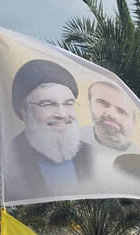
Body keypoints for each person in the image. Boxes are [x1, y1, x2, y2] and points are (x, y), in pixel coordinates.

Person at [5, 59, 93, 201]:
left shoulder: (89, 154)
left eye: (68, 103)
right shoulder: (10, 157)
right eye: (48, 104)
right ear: (25, 111)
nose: (62, 114)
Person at [81, 81, 137, 152]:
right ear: (89, 104)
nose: (111, 114)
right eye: (103, 103)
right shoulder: (71, 138)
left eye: (121, 111)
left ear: (134, 122)